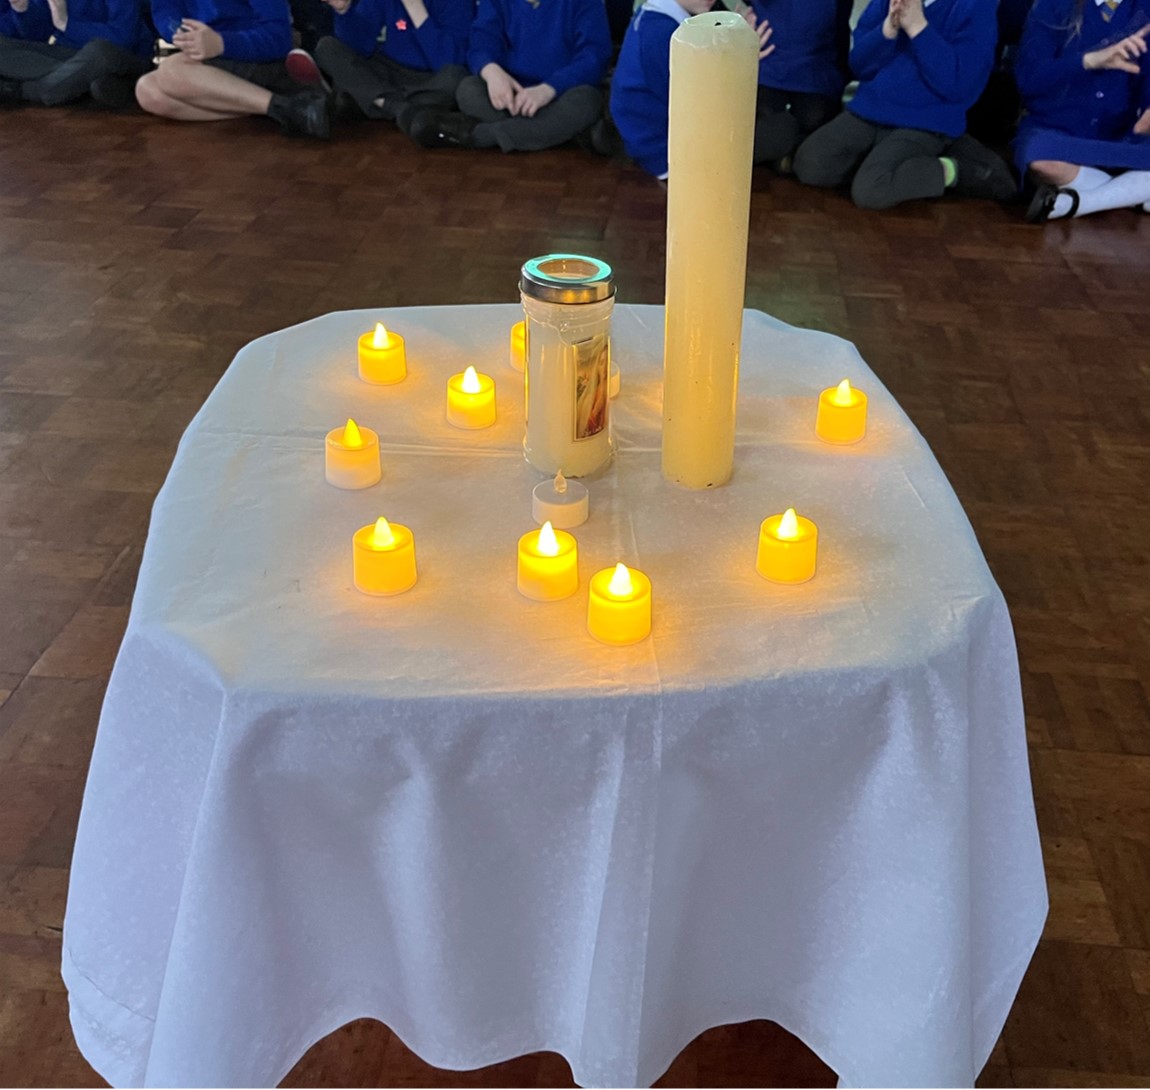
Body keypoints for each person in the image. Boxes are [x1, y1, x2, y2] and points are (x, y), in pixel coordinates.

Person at [793, 0, 1016, 210]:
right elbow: (859, 65)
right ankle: (884, 163)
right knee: (811, 164)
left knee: (871, 190)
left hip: (926, 122)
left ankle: (956, 169)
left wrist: (919, 29)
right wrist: (887, 30)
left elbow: (960, 85)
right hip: (871, 110)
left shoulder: (976, 7)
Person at [406, 0, 613, 152]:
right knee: (468, 89)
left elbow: (593, 58)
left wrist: (548, 89)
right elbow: (480, 43)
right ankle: (569, 134)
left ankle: (475, 135)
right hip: (511, 94)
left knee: (586, 100)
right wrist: (492, 72)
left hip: (562, 92)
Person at [1016, 0, 1150, 222]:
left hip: (1120, 141)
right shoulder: (1052, 6)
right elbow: (1029, 80)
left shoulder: (1144, 9)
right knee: (1039, 154)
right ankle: (1133, 193)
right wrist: (1089, 61)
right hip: (1057, 133)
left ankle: (1074, 203)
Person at [609, 0, 774, 179]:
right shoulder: (664, 33)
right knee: (778, 131)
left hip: (647, 139)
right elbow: (700, 104)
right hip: (667, 153)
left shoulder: (653, 16)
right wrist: (740, 58)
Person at [135, 0, 331, 136]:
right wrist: (183, 35)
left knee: (171, 70)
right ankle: (290, 109)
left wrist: (221, 43)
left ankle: (284, 105)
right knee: (147, 91)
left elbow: (280, 38)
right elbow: (165, 14)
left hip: (258, 58)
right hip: (211, 59)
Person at [291, 0, 469, 128]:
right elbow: (360, 46)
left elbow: (448, 61)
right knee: (327, 47)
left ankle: (369, 101)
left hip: (429, 78)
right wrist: (344, 11)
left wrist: (415, 8)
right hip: (388, 68)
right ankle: (398, 108)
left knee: (456, 80)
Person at [748, 0, 854, 169]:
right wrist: (736, 25)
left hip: (816, 72)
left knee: (813, 118)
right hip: (765, 65)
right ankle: (788, 155)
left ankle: (788, 155)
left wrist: (840, 75)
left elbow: (840, 32)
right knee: (766, 118)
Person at [0, 0, 153, 107]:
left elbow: (124, 37)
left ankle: (21, 90)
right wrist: (21, 9)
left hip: (123, 55)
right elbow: (38, 36)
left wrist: (66, 24)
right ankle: (83, 81)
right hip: (71, 54)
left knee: (100, 52)